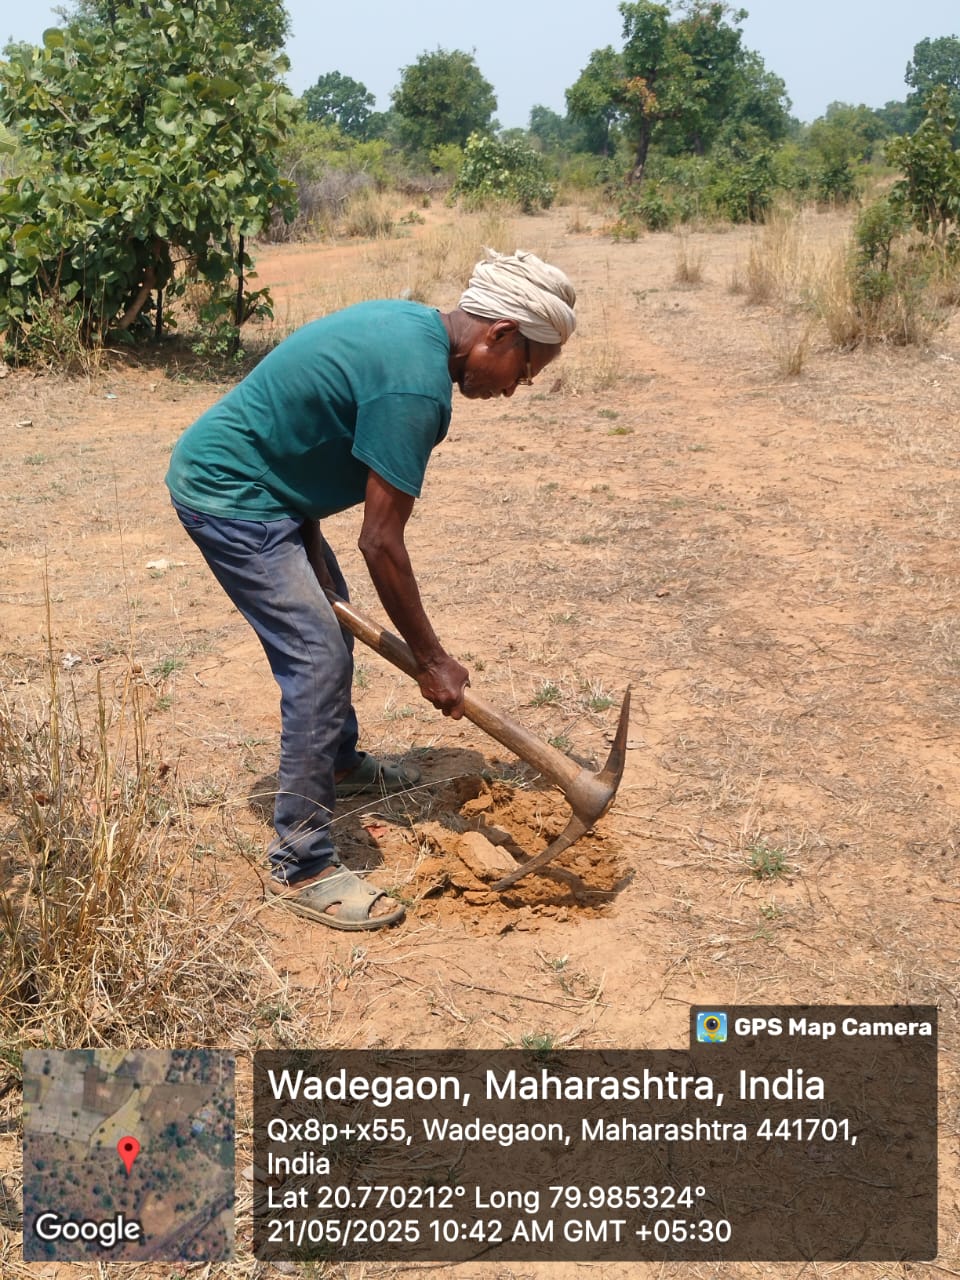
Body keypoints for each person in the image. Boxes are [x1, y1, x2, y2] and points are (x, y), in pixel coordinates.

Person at [165, 248, 577, 931]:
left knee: (333, 626)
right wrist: (433, 661)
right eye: (526, 370)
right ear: (500, 334)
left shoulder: (415, 329)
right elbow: (381, 542)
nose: (516, 389)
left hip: (272, 488)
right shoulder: (415, 389)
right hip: (232, 493)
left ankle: (338, 762)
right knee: (318, 657)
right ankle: (303, 866)